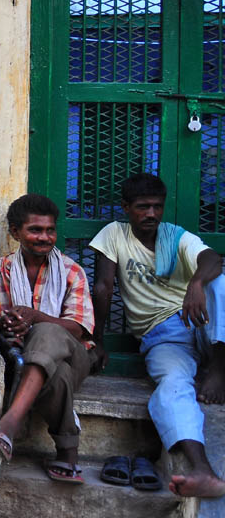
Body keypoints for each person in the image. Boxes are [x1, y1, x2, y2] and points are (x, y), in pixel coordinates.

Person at [91, 173, 225, 498]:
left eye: (157, 207)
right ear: (126, 208)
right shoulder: (114, 234)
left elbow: (211, 260)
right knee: (173, 386)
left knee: (220, 282)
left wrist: (195, 284)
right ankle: (202, 471)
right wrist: (98, 339)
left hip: (200, 322)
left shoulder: (175, 236)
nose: (151, 214)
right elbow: (104, 287)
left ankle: (219, 371)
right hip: (163, 338)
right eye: (142, 207)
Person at [0, 194, 96, 483]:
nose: (45, 237)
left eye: (50, 230)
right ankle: (68, 453)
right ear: (15, 232)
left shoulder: (72, 271)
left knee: (48, 332)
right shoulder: (0, 270)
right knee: (55, 375)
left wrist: (35, 317)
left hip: (76, 356)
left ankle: (10, 422)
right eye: (35, 230)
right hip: (25, 358)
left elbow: (79, 328)